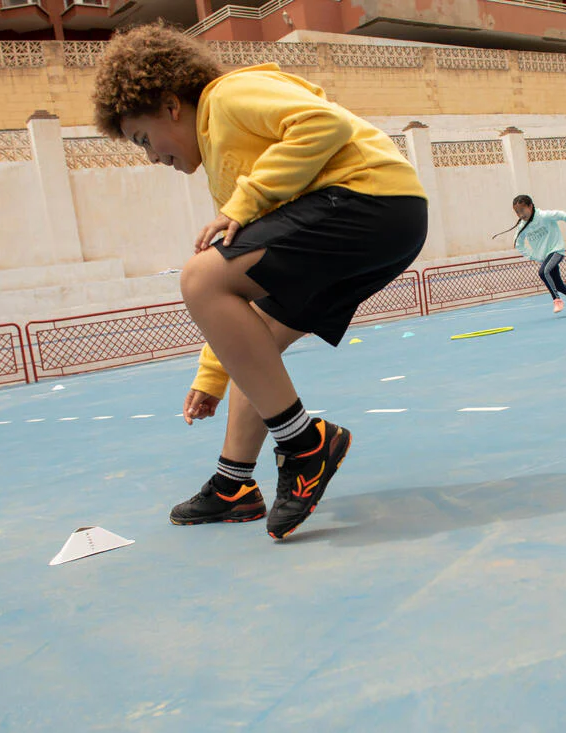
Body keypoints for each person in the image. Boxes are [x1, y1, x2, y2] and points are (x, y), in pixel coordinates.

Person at [92, 23, 428, 539]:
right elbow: (238, 314)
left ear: (171, 105)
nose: (151, 156)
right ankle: (234, 484)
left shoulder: (228, 95)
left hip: (370, 200)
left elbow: (323, 123)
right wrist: (213, 375)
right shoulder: (222, 166)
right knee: (256, 349)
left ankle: (305, 445)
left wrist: (245, 202)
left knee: (198, 276)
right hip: (382, 223)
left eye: (143, 139)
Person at [497, 195, 566, 313]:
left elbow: (564, 216)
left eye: (522, 210)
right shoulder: (522, 227)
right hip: (545, 257)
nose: (520, 214)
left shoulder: (544, 216)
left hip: (556, 250)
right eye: (517, 212)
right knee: (559, 286)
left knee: (543, 272)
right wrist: (533, 256)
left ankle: (556, 300)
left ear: (530, 206)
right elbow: (518, 244)